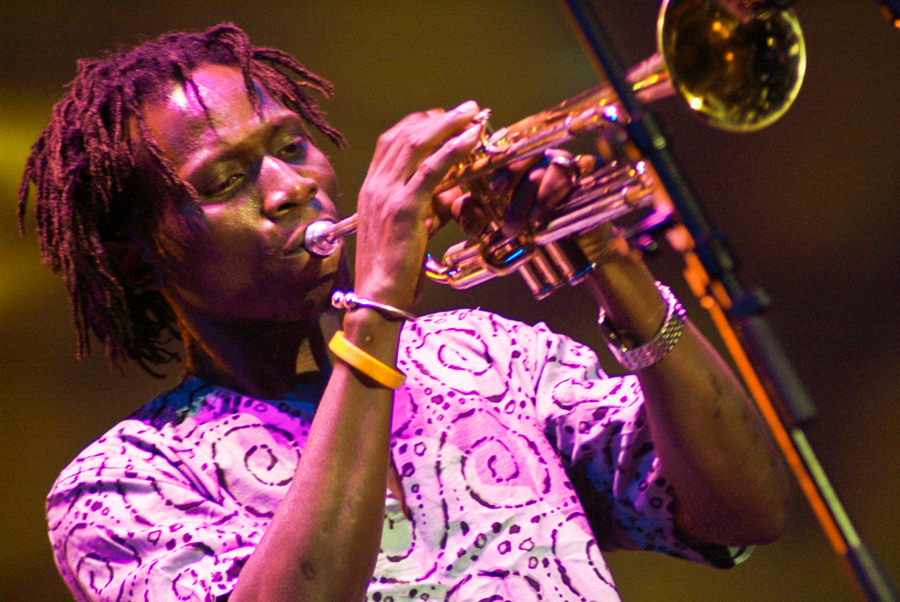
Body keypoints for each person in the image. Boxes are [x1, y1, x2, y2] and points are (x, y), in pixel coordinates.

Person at [19, 23, 789, 602]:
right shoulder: (123, 482)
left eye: (291, 144)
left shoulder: (487, 354)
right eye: (225, 180)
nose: (289, 187)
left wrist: (607, 259)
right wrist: (377, 304)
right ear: (135, 256)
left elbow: (744, 508)